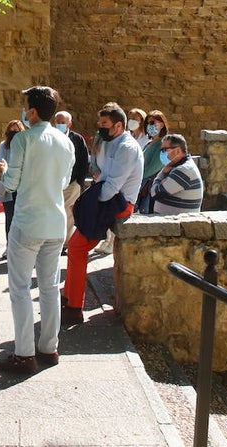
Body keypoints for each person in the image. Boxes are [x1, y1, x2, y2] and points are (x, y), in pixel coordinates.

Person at [0, 86, 75, 374]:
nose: (24, 111)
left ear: (32, 111)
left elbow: (12, 183)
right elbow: (64, 181)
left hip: (28, 221)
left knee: (20, 288)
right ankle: (49, 347)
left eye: (26, 107)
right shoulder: (65, 142)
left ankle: (24, 353)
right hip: (55, 222)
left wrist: (2, 171)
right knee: (49, 288)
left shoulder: (23, 139)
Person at [62, 103, 143, 325]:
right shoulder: (115, 144)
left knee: (77, 247)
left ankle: (74, 306)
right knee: (76, 247)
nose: (99, 127)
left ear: (118, 126)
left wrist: (87, 206)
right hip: (110, 199)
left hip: (119, 203)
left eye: (104, 123)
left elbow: (111, 187)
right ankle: (69, 299)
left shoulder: (126, 148)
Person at [51, 111, 89, 247]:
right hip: (52, 183)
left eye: (63, 122)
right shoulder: (50, 138)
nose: (59, 124)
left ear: (69, 124)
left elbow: (84, 161)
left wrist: (79, 182)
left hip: (72, 184)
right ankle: (52, 241)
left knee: (68, 214)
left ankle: (64, 243)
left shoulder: (77, 139)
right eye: (57, 122)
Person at [150, 134, 204, 215]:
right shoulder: (175, 168)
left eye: (164, 150)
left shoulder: (183, 170)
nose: (162, 153)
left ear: (178, 151)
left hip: (179, 221)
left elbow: (155, 193)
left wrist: (161, 174)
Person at [0, 119, 26, 238]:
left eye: (17, 131)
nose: (14, 133)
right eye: (12, 131)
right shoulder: (4, 145)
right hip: (8, 186)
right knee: (9, 217)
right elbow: (0, 162)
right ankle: (9, 243)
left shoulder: (26, 145)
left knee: (22, 218)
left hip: (22, 186)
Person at [138, 110, 170, 214]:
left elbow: (153, 168)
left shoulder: (163, 145)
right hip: (142, 185)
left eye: (152, 122)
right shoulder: (148, 144)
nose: (149, 126)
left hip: (151, 189)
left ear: (162, 124)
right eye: (147, 123)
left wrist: (134, 177)